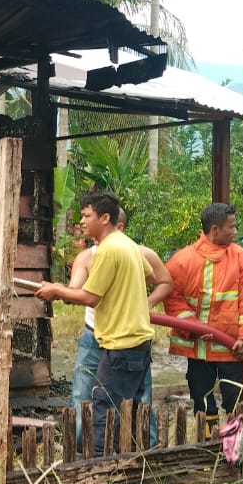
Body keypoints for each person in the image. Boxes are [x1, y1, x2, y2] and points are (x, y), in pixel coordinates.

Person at [37, 192, 155, 455]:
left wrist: (57, 291)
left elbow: (90, 297)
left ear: (104, 218)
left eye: (87, 215)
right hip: (138, 342)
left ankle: (102, 469)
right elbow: (147, 276)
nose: (81, 221)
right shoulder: (128, 245)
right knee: (135, 409)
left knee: (103, 409)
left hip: (120, 346)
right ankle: (141, 461)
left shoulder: (108, 250)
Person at [66, 208, 172, 445]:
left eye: (88, 219)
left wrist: (146, 303)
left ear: (116, 227)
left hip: (127, 340)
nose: (84, 224)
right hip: (95, 336)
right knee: (84, 395)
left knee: (139, 398)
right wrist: (63, 292)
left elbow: (165, 281)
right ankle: (81, 452)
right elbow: (76, 291)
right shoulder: (87, 257)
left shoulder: (136, 253)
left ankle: (146, 450)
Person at [163, 202, 243, 439]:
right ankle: (207, 447)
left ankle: (235, 447)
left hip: (232, 348)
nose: (235, 231)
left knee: (236, 400)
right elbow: (171, 298)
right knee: (202, 401)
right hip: (198, 351)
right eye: (231, 227)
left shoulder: (241, 258)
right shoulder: (183, 261)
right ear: (214, 229)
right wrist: (192, 324)